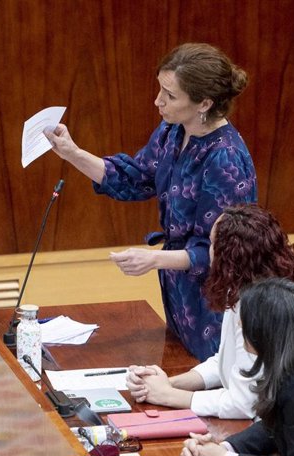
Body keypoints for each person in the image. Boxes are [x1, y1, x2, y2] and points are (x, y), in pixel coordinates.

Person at [45, 43, 257, 361]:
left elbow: (219, 252)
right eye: (160, 89)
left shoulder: (225, 160)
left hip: (215, 299)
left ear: (204, 103)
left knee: (211, 378)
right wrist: (72, 153)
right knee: (179, 367)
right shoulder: (172, 130)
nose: (158, 101)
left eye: (170, 96)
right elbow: (137, 178)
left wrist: (153, 260)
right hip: (179, 287)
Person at [126, 204, 294, 419]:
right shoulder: (244, 289)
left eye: (211, 244)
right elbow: (231, 360)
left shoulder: (261, 308)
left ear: (230, 256)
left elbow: (244, 404)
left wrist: (168, 396)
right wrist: (168, 383)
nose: (208, 252)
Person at [182, 278, 294, 456]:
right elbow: (276, 426)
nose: (239, 324)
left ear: (266, 330)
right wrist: (225, 447)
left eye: (246, 319)